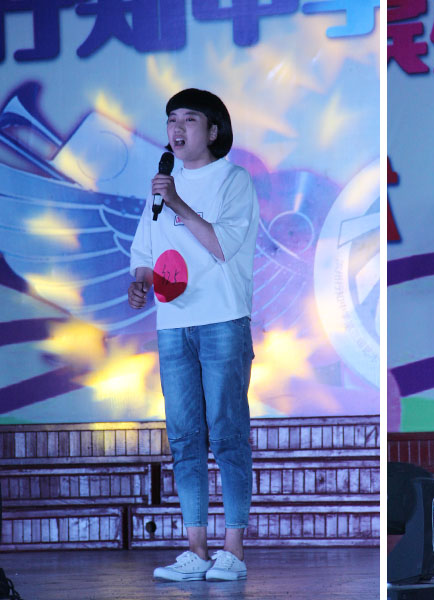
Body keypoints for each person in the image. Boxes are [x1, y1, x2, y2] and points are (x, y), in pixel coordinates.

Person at [128, 88, 260, 582]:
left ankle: (234, 550)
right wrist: (140, 282)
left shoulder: (233, 180)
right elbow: (145, 251)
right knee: (184, 438)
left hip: (222, 319)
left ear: (213, 130)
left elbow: (222, 245)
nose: (177, 129)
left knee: (227, 434)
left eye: (188, 119)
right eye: (171, 120)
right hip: (172, 324)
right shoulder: (162, 186)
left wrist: (177, 201)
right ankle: (196, 549)